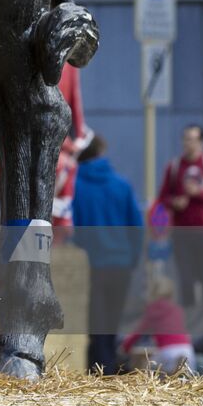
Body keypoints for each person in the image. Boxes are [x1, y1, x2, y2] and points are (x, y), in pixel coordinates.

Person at [72, 134, 144, 373]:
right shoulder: (121, 185)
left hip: (91, 265)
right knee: (112, 321)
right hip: (121, 265)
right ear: (101, 153)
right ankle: (109, 369)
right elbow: (136, 226)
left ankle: (98, 371)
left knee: (95, 323)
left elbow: (74, 229)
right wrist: (132, 259)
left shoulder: (76, 186)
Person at [157, 124, 203, 309]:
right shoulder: (174, 167)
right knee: (185, 278)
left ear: (201, 142)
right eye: (185, 138)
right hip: (181, 231)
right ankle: (188, 320)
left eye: (192, 139)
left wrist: (198, 193)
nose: (188, 143)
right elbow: (163, 197)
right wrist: (174, 202)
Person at [122, 273, 196, 375]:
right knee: (184, 382)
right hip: (187, 350)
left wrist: (125, 347)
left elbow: (138, 332)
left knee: (146, 370)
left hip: (167, 351)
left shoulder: (152, 310)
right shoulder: (178, 309)